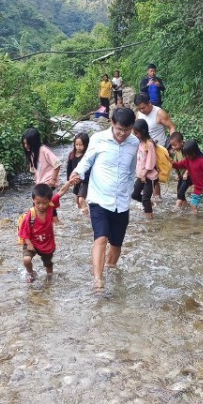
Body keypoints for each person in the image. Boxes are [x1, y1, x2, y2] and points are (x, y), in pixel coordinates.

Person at [69, 108, 140, 291]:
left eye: (126, 130)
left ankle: (110, 270)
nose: (122, 134)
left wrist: (130, 190)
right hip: (99, 198)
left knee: (116, 244)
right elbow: (86, 160)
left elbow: (131, 169)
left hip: (121, 201)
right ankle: (98, 281)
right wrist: (78, 172)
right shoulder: (98, 139)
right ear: (112, 124)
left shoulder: (134, 143)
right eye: (118, 129)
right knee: (101, 238)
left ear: (132, 127)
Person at [18, 179, 78, 283]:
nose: (41, 206)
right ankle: (31, 272)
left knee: (48, 264)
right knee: (26, 260)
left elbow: (61, 192)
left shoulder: (51, 207)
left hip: (46, 243)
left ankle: (49, 279)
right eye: (38, 203)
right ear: (33, 201)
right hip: (31, 242)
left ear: (49, 201)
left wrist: (69, 182)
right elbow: (23, 231)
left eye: (44, 203)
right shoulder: (30, 215)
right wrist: (28, 243)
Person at [134, 93, 176, 200]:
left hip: (157, 149)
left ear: (149, 103)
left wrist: (171, 144)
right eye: (139, 108)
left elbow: (171, 127)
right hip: (144, 150)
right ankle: (152, 199)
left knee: (153, 175)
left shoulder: (159, 113)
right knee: (146, 173)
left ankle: (156, 198)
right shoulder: (139, 114)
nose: (141, 110)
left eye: (143, 107)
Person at [171, 140, 203, 215]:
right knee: (193, 205)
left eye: (189, 154)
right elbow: (178, 165)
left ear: (195, 152)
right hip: (197, 188)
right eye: (186, 154)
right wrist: (172, 163)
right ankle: (195, 221)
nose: (187, 156)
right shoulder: (187, 160)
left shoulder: (202, 161)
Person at [130, 118, 159, 219]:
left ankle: (149, 219)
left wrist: (144, 173)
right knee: (134, 195)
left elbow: (151, 161)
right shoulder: (140, 143)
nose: (135, 135)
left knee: (145, 198)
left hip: (150, 177)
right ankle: (149, 204)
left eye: (137, 133)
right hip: (141, 175)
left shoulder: (149, 144)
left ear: (143, 132)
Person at [65, 132, 91, 213]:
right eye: (77, 144)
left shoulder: (87, 156)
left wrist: (81, 178)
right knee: (76, 199)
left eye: (81, 145)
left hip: (85, 181)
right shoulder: (71, 155)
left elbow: (89, 171)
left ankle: (87, 218)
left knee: (81, 200)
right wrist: (69, 180)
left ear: (86, 145)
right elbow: (69, 168)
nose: (78, 147)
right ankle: (82, 215)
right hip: (75, 181)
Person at [167, 131, 191, 210]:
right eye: (172, 145)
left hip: (190, 175)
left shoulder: (187, 150)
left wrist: (186, 173)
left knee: (180, 193)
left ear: (181, 142)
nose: (173, 147)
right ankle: (186, 206)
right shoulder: (177, 151)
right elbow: (176, 163)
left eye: (175, 145)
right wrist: (178, 174)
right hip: (182, 175)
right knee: (179, 191)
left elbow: (191, 162)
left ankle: (175, 209)